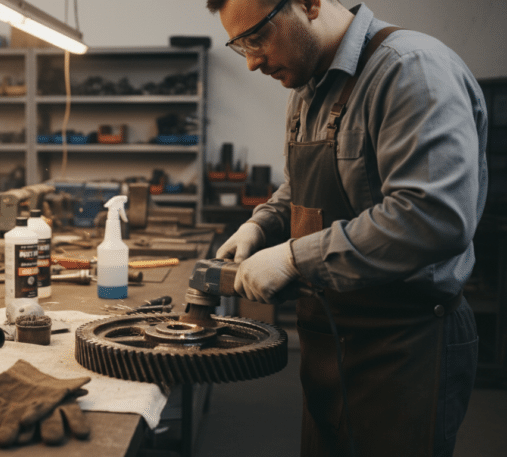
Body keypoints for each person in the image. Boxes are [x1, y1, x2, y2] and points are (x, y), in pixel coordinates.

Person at [206, 0, 488, 456]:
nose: (253, 61)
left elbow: (434, 215)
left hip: (404, 346)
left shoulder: (410, 70)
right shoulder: (307, 87)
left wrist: (296, 257)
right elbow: (297, 187)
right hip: (331, 338)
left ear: (309, 4)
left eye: (257, 37)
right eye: (241, 46)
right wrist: (260, 227)